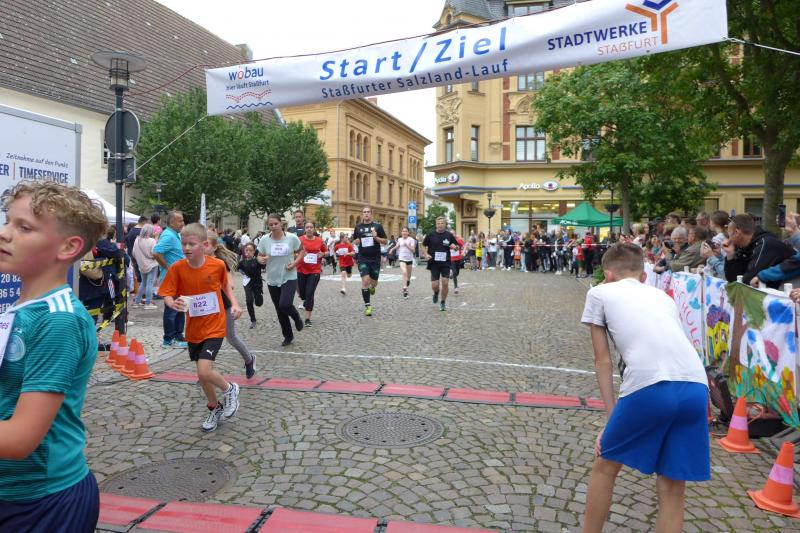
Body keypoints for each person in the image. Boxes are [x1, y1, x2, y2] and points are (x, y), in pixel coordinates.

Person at [0, 182, 107, 531]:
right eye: (7, 221)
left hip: (42, 501)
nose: (4, 233)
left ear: (68, 247)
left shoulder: (58, 320)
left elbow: (20, 438)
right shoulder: (21, 308)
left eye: (23, 227)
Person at [581, 243, 709, 533]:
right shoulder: (663, 297)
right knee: (673, 488)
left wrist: (611, 418)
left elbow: (603, 361)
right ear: (643, 275)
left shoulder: (599, 292)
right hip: (695, 385)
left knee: (605, 466)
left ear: (608, 274)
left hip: (650, 383)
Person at [159, 223, 242, 432]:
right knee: (202, 375)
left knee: (204, 370)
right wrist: (172, 303)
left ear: (204, 245)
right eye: (184, 244)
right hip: (194, 329)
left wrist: (234, 304)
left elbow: (225, 286)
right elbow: (167, 293)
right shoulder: (177, 268)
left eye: (192, 244)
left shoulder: (217, 265)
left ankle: (230, 388)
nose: (187, 248)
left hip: (215, 326)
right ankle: (214, 407)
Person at [206, 231, 256, 379]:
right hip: (206, 306)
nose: (202, 247)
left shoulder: (220, 263)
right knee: (207, 337)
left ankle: (249, 360)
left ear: (215, 247)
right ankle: (206, 370)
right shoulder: (197, 262)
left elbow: (231, 284)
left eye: (206, 244)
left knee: (231, 337)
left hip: (223, 304)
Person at [257, 213, 305, 346]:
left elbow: (302, 251)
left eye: (276, 224)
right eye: (270, 224)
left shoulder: (291, 238)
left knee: (284, 304)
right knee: (279, 309)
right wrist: (260, 259)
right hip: (272, 278)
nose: (273, 226)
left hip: (289, 276)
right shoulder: (265, 240)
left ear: (281, 224)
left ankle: (296, 317)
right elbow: (259, 255)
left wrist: (294, 263)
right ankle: (288, 336)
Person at [723, 213, 794, 288]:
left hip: (792, 286)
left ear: (737, 232)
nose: (729, 240)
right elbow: (733, 279)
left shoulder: (766, 244)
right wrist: (730, 255)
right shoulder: (744, 246)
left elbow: (749, 279)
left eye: (729, 235)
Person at [153, 211, 187, 348]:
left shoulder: (175, 235)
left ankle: (178, 335)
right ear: (172, 222)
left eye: (182, 220)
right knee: (172, 309)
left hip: (179, 278)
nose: (183, 223)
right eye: (180, 221)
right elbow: (156, 252)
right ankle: (168, 339)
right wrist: (168, 267)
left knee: (180, 307)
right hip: (171, 279)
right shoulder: (168, 235)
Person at [352, 206, 387, 316]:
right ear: (362, 214)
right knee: (366, 280)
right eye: (364, 212)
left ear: (371, 214)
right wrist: (356, 242)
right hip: (362, 258)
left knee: (374, 282)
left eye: (368, 212)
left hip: (375, 259)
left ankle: (372, 288)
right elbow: (355, 240)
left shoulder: (377, 226)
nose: (366, 214)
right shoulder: (358, 227)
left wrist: (376, 238)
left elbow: (385, 241)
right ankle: (368, 306)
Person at [422, 216, 457, 311]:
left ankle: (443, 302)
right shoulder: (431, 235)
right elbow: (423, 245)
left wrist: (455, 247)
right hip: (434, 263)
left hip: (445, 263)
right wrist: (426, 254)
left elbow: (456, 246)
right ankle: (436, 293)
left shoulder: (449, 235)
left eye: (442, 223)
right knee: (435, 285)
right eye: (438, 223)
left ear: (445, 224)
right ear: (436, 224)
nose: (440, 225)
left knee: (445, 282)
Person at [297, 221, 328, 327]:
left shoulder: (319, 240)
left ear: (314, 229)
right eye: (307, 227)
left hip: (314, 271)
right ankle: (304, 299)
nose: (309, 229)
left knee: (310, 293)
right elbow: (294, 251)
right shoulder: (300, 239)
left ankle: (307, 319)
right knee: (303, 294)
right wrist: (299, 254)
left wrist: (323, 254)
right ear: (305, 229)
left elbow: (327, 252)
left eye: (311, 227)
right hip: (301, 270)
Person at [238, 243, 264, 329]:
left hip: (257, 283)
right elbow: (238, 267)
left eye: (250, 250)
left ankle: (259, 297)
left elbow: (264, 265)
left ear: (254, 251)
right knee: (249, 300)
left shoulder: (257, 260)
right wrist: (241, 271)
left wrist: (263, 259)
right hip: (247, 283)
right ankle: (253, 320)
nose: (248, 252)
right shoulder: (242, 262)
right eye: (246, 250)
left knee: (259, 303)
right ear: (244, 251)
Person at [132, 223, 159, 309]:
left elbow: (133, 253)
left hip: (141, 265)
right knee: (149, 284)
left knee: (143, 283)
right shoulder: (152, 241)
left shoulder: (137, 240)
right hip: (151, 264)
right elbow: (155, 253)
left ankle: (136, 302)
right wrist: (156, 238)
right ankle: (148, 303)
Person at [388, 227, 415, 298]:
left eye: (406, 231)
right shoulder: (400, 239)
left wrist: (407, 245)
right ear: (401, 232)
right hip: (402, 258)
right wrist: (391, 249)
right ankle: (405, 288)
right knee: (404, 272)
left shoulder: (411, 240)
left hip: (409, 259)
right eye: (403, 231)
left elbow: (413, 250)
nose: (404, 232)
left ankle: (407, 282)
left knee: (408, 277)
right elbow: (397, 246)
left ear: (408, 233)